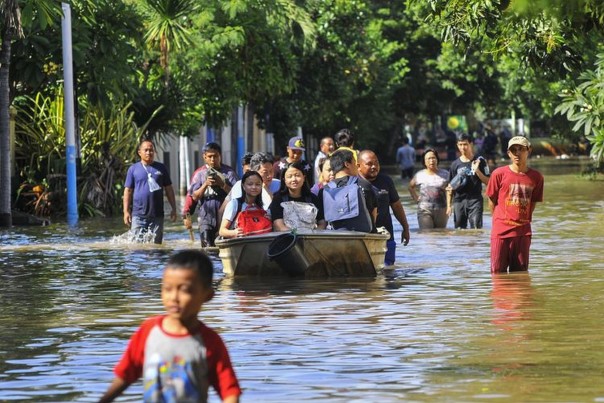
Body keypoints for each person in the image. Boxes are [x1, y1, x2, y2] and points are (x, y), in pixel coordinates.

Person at [99, 250, 242, 402]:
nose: (174, 297)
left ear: (207, 295)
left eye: (185, 290)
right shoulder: (148, 332)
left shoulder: (210, 342)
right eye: (167, 289)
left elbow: (229, 391)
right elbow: (125, 375)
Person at [486, 136, 544, 273]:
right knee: (497, 273)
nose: (517, 153)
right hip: (500, 232)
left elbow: (533, 202)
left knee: (520, 275)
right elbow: (491, 201)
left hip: (523, 232)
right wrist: (499, 221)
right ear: (508, 153)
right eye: (513, 150)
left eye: (521, 149)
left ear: (528, 151)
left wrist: (523, 220)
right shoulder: (498, 174)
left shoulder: (536, 177)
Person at [358, 150, 410, 266]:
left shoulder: (386, 181)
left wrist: (405, 227)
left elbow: (396, 205)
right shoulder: (353, 183)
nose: (374, 167)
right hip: (363, 237)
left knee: (388, 272)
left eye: (376, 163)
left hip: (386, 236)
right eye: (369, 164)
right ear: (358, 166)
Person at [183, 142, 238, 247]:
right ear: (204, 157)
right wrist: (205, 184)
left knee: (224, 247)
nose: (213, 159)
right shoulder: (199, 174)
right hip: (206, 217)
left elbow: (237, 195)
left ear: (220, 156)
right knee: (207, 248)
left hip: (226, 217)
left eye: (216, 156)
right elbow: (193, 197)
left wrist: (222, 184)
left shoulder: (229, 173)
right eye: (210, 157)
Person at [123, 139, 177, 244]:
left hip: (157, 215)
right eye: (146, 150)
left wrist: (174, 209)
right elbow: (128, 190)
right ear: (140, 152)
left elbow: (169, 189)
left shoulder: (161, 168)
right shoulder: (133, 169)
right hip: (138, 215)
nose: (149, 153)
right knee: (136, 246)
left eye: (151, 150)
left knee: (156, 246)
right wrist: (126, 211)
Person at [319, 148, 377, 231]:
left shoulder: (324, 190)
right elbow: (373, 213)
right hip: (364, 237)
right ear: (347, 164)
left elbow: (323, 221)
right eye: (354, 161)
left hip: (337, 238)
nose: (357, 165)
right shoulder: (364, 185)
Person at [446, 133, 490, 229]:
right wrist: (449, 206)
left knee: (476, 229)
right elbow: (450, 187)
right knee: (459, 230)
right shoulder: (454, 164)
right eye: (460, 144)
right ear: (457, 145)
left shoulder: (480, 161)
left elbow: (488, 182)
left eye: (465, 144)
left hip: (475, 200)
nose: (463, 147)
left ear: (471, 144)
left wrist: (477, 170)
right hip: (458, 201)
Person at [269, 161, 327, 231]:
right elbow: (279, 226)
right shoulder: (278, 199)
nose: (294, 179)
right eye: (289, 176)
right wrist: (295, 236)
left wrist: (313, 234)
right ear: (284, 180)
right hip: (288, 239)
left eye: (297, 175)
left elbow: (322, 223)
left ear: (304, 178)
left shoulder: (313, 198)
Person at [219, 171, 271, 239]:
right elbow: (222, 231)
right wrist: (234, 233)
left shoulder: (262, 206)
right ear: (243, 186)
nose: (254, 187)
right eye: (250, 184)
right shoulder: (234, 204)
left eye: (258, 184)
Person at [408, 148, 450, 229]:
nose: (431, 160)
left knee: (441, 233)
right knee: (427, 233)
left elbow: (449, 191)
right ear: (424, 161)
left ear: (437, 159)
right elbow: (410, 187)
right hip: (424, 209)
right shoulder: (420, 175)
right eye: (428, 158)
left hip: (441, 208)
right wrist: (416, 198)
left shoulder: (445, 174)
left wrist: (449, 206)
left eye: (433, 158)